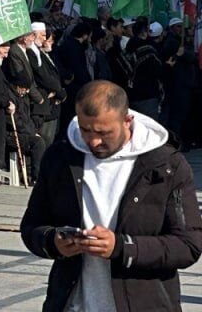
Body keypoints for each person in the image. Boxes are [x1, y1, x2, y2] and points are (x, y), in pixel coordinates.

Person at [20, 80, 202, 311]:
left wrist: (122, 246)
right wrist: (53, 241)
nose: (93, 141)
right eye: (85, 130)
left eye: (104, 133)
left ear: (127, 121)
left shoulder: (166, 165)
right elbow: (32, 226)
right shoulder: (61, 157)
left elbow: (188, 245)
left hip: (144, 302)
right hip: (72, 303)